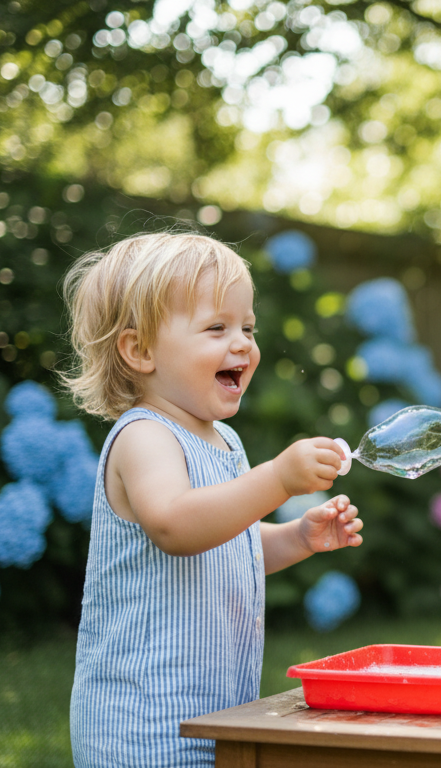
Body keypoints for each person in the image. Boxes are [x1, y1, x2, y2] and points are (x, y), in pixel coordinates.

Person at [63, 232, 363, 767]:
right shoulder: (144, 437)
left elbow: (228, 545)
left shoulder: (224, 442)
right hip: (143, 725)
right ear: (141, 350)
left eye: (248, 327)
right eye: (217, 328)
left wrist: (296, 536)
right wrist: (277, 480)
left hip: (216, 713)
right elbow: (178, 528)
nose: (244, 342)